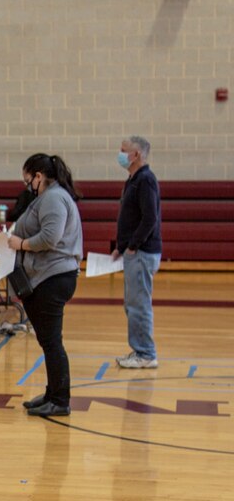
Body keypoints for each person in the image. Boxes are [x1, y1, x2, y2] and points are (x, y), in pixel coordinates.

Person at [5, 154, 83, 417]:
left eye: (28, 180)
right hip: (48, 275)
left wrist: (21, 244)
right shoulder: (49, 197)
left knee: (52, 342)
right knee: (48, 341)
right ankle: (52, 393)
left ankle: (60, 400)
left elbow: (50, 237)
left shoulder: (53, 198)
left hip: (53, 277)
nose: (27, 185)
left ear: (39, 176)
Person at [111, 135, 162, 369]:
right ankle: (140, 350)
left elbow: (149, 217)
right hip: (133, 252)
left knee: (139, 305)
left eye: (124, 150)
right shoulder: (133, 179)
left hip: (142, 253)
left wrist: (133, 245)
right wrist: (120, 248)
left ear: (136, 155)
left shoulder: (145, 180)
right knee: (132, 304)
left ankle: (146, 354)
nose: (120, 154)